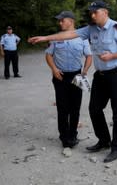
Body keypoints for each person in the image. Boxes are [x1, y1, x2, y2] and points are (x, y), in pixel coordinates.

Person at [28, 0, 117, 162]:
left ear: (105, 12)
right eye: (90, 13)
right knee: (94, 109)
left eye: (95, 12)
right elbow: (69, 34)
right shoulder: (90, 29)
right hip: (100, 76)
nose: (92, 15)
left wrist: (112, 56)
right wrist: (45, 38)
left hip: (116, 75)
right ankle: (104, 140)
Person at [45, 11, 92, 148]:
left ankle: (73, 135)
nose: (59, 23)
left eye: (62, 20)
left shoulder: (82, 38)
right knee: (62, 108)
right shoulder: (56, 37)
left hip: (77, 75)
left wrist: (85, 70)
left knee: (75, 108)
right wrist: (54, 69)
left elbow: (89, 56)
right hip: (60, 76)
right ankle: (64, 137)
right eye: (59, 21)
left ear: (71, 21)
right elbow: (48, 55)